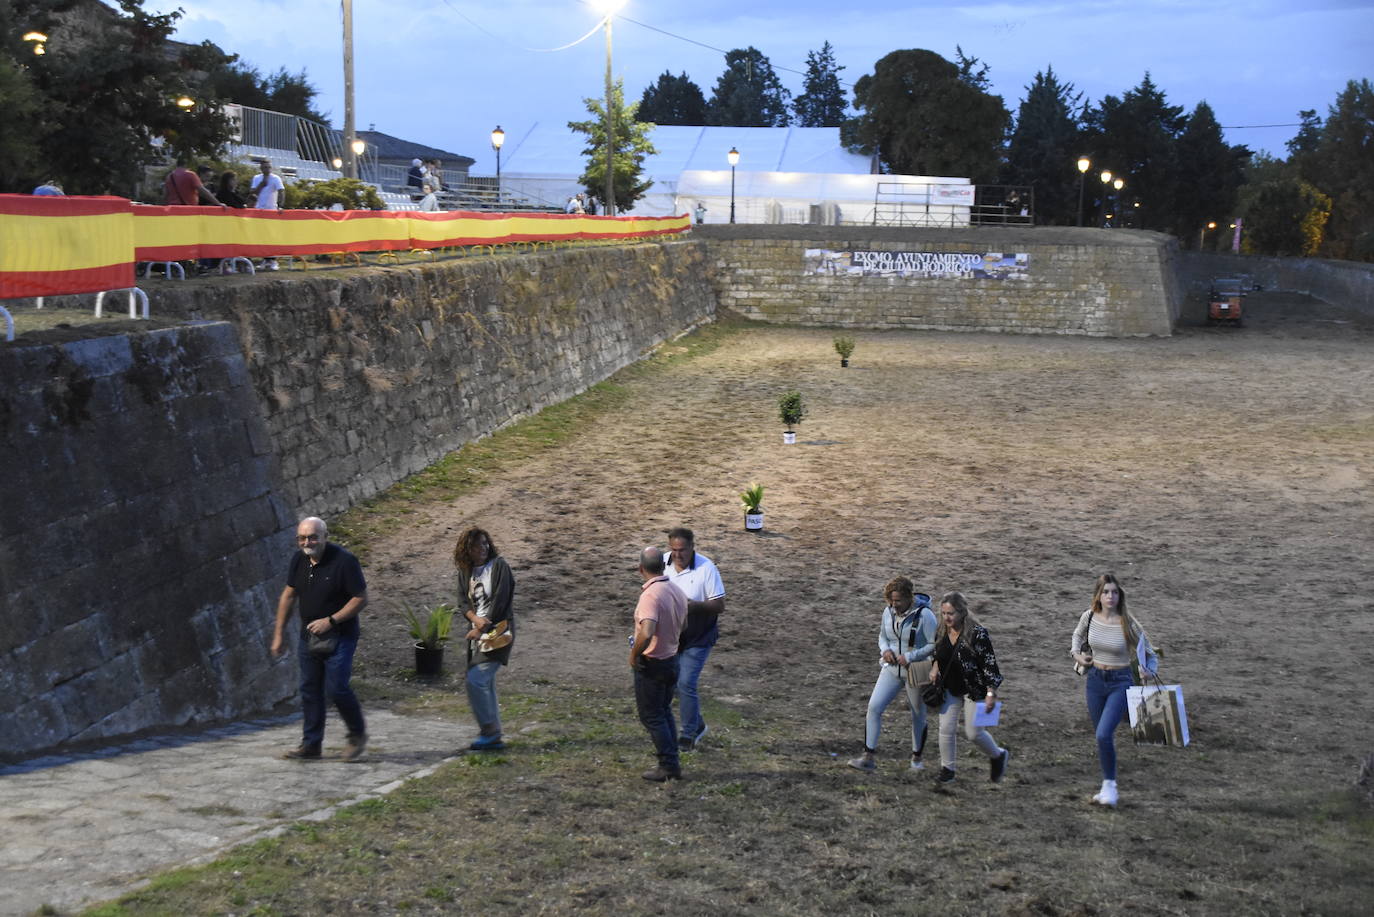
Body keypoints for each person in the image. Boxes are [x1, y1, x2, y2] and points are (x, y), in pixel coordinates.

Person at [270, 516, 368, 761]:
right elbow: (288, 596)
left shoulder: (345, 562)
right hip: (309, 636)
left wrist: (331, 620)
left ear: (325, 537)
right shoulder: (299, 560)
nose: (307, 542)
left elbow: (360, 598)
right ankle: (311, 745)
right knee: (310, 690)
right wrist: (279, 634)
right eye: (302, 538)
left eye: (313, 537)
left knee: (337, 689)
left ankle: (357, 735)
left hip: (340, 635)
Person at [1071, 573, 1159, 807]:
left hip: (1121, 680)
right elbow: (1077, 637)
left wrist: (1149, 671)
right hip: (1096, 681)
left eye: (1115, 592)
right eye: (1106, 592)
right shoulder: (1089, 617)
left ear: (1120, 596)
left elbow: (1150, 653)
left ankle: (1110, 786)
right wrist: (1078, 655)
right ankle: (1106, 784)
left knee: (1103, 734)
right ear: (1098, 595)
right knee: (1102, 735)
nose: (1111, 596)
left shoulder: (1127, 622)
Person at [847, 577, 938, 772]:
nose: (894, 605)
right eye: (891, 600)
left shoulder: (926, 616)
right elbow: (883, 636)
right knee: (874, 707)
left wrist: (911, 656)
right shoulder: (888, 612)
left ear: (909, 598)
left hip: (917, 669)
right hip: (891, 668)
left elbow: (932, 644)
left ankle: (916, 760)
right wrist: (885, 651)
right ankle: (868, 756)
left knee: (918, 714)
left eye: (897, 601)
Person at [928, 591, 1010, 784]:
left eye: (951, 613)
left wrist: (991, 692)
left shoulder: (977, 634)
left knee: (974, 733)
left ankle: (998, 755)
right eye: (944, 613)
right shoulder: (941, 630)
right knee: (946, 729)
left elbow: (989, 665)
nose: (947, 617)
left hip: (975, 689)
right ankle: (947, 769)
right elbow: (937, 653)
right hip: (949, 687)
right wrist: (934, 668)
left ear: (962, 612)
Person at [662, 527, 725, 751]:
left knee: (686, 682)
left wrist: (693, 606)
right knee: (674, 683)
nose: (678, 555)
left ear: (692, 548)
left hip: (698, 637)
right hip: (672, 636)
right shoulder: (663, 564)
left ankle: (688, 733)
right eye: (674, 550)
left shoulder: (707, 569)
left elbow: (719, 605)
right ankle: (697, 724)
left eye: (682, 550)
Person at [454, 527, 515, 751]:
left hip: (499, 631)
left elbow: (501, 599)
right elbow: (462, 601)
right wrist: (474, 620)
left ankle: (489, 731)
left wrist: (484, 624)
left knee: (476, 679)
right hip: (478, 633)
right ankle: (493, 733)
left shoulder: (499, 566)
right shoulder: (466, 571)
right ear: (467, 549)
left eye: (485, 543)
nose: (483, 548)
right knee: (484, 682)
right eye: (478, 544)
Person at [631, 545, 689, 781]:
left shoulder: (650, 595)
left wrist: (634, 655)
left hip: (653, 663)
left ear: (640, 568)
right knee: (664, 712)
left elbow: (646, 632)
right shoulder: (676, 590)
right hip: (672, 660)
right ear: (664, 565)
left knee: (652, 715)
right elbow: (684, 627)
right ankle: (671, 760)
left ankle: (668, 765)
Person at [249, 161, 285, 271]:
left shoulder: (276, 178)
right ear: (261, 168)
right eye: (264, 167)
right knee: (262, 236)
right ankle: (265, 259)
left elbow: (282, 191)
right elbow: (252, 193)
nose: (267, 169)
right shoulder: (256, 178)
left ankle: (273, 260)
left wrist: (281, 205)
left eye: (268, 167)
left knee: (271, 236)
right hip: (259, 210)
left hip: (271, 210)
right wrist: (262, 184)